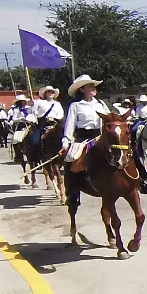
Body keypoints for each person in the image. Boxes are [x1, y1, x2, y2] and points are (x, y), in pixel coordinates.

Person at [59, 75, 111, 214]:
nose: (94, 88)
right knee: (71, 159)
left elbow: (109, 119)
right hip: (83, 138)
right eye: (90, 86)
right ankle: (72, 192)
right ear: (82, 89)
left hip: (100, 136)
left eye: (93, 85)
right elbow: (69, 126)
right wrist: (66, 142)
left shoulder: (100, 104)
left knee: (124, 151)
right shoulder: (75, 106)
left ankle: (139, 180)